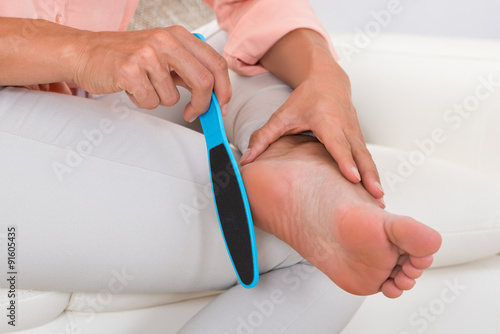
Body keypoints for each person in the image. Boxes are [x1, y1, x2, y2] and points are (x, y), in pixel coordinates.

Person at [0, 0, 441, 332]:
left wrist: (322, 74)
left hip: (83, 96)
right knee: (313, 252)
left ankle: (288, 155)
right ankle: (305, 190)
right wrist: (78, 47)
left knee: (236, 63)